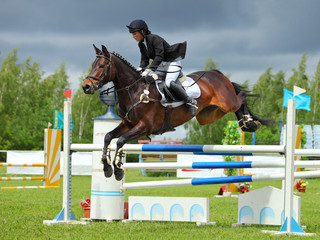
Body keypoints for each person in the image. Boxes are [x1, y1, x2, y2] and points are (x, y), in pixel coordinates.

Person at [126, 19, 198, 117]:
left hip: (171, 62)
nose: (133, 36)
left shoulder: (155, 38)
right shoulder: (141, 44)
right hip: (160, 65)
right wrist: (139, 70)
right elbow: (145, 60)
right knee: (147, 80)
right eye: (132, 34)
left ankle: (190, 102)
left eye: (134, 33)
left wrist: (149, 69)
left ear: (142, 31)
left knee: (169, 83)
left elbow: (159, 55)